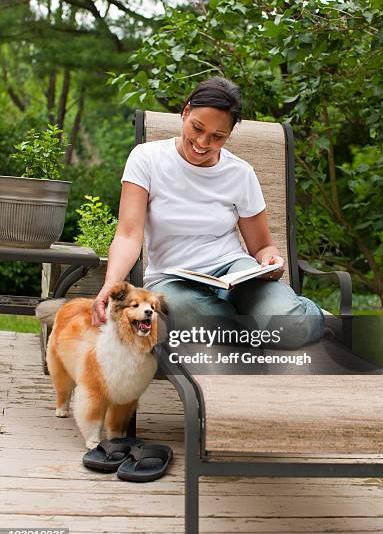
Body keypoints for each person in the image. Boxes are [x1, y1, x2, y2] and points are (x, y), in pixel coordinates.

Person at [92, 77, 325, 350]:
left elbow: (262, 246)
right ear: (185, 111)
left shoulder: (240, 173)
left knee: (289, 326)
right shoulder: (146, 158)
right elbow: (129, 235)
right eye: (197, 128)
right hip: (172, 279)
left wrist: (270, 261)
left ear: (229, 135)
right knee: (190, 316)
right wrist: (111, 283)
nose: (202, 143)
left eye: (218, 137)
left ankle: (306, 315)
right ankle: (257, 327)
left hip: (233, 273)